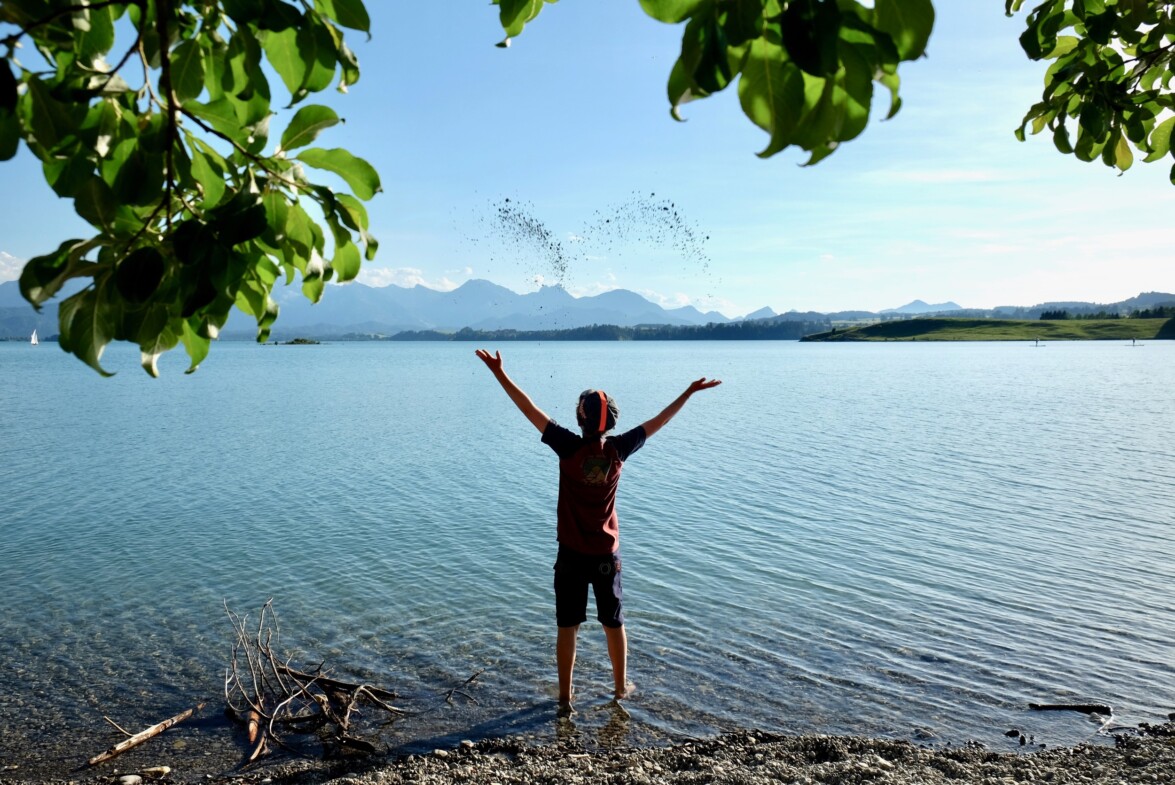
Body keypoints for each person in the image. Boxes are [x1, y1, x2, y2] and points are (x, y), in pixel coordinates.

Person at [474, 348, 721, 716]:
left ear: (581, 418)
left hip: (571, 554)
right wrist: (687, 393)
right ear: (611, 423)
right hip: (607, 555)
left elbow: (527, 408)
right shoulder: (620, 450)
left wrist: (499, 372)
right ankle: (621, 689)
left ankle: (564, 698)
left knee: (567, 626)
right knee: (613, 622)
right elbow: (658, 421)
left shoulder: (567, 446)